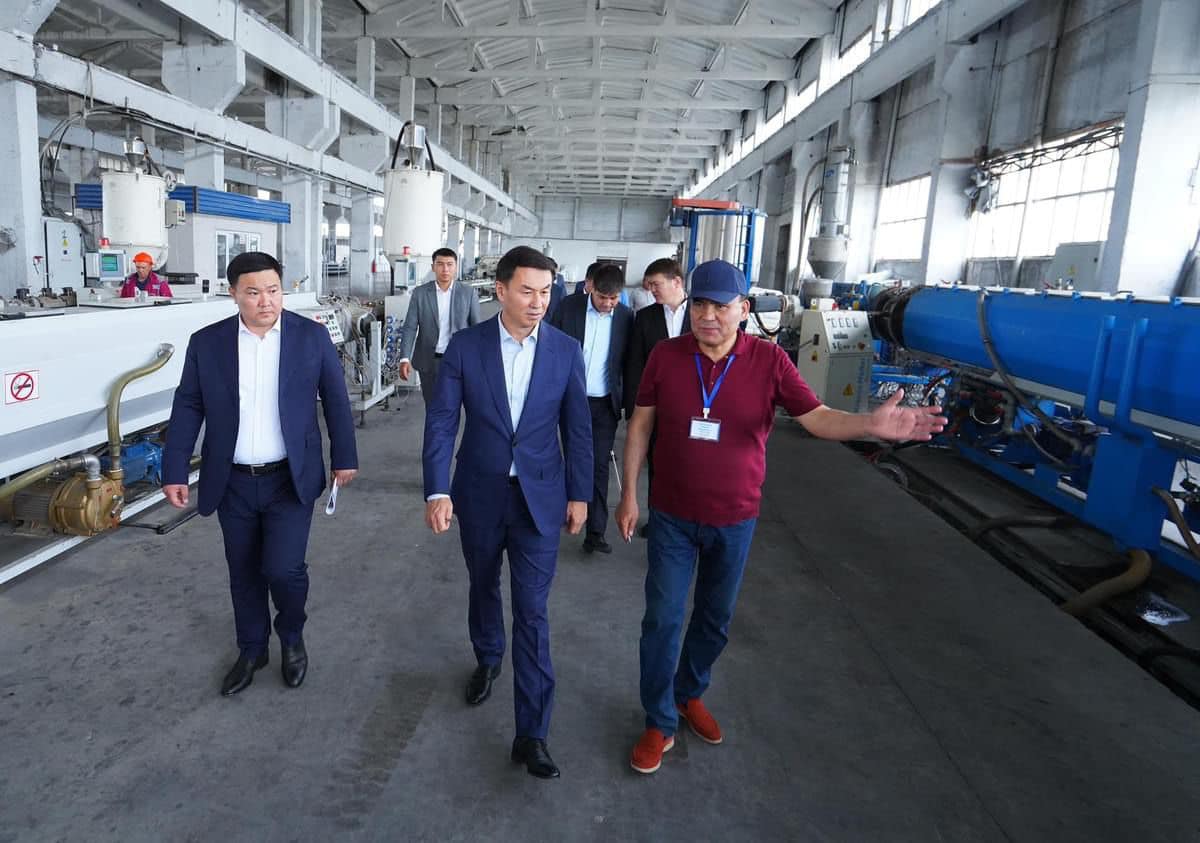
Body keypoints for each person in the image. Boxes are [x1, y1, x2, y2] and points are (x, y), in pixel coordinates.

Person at [615, 260, 946, 775]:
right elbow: (640, 424)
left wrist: (870, 424)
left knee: (714, 619)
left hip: (735, 518)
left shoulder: (769, 361)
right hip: (672, 516)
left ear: (743, 309)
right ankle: (659, 720)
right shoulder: (666, 356)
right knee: (662, 618)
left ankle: (687, 693)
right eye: (699, 304)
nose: (707, 316)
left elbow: (817, 418)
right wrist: (629, 495)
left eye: (720, 306)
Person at [422, 245, 591, 779]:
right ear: (500, 291)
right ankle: (488, 655)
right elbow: (442, 421)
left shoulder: (565, 351)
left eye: (546, 292)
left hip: (540, 498)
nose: (538, 302)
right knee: (483, 583)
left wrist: (580, 494)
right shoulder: (466, 348)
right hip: (479, 493)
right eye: (527, 291)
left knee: (533, 612)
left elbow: (578, 429)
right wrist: (437, 490)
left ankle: (532, 733)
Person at [162, 251, 358, 697]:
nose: (266, 301)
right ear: (233, 294)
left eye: (273, 290)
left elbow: (335, 397)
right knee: (244, 571)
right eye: (253, 292)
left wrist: (344, 456)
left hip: (289, 478)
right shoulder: (208, 343)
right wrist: (174, 469)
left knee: (284, 570)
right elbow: (189, 404)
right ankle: (252, 649)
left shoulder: (310, 337)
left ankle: (291, 637)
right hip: (231, 480)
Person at [549, 263, 634, 554]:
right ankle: (558, 515)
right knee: (563, 457)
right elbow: (550, 348)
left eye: (614, 298)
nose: (608, 303)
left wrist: (627, 402)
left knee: (598, 464)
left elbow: (627, 362)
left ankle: (595, 531)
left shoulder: (626, 317)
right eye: (602, 297)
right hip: (568, 399)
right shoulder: (568, 308)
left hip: (604, 403)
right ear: (590, 287)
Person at [622, 257, 691, 538]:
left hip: (694, 407)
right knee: (656, 463)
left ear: (677, 282)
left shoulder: (700, 314)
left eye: (656, 284)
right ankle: (658, 518)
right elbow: (634, 365)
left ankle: (688, 516)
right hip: (655, 408)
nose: (652, 290)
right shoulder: (646, 318)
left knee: (689, 462)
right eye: (649, 285)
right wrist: (633, 410)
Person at [398, 248, 480, 403]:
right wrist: (404, 358)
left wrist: (476, 360)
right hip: (429, 361)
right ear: (433, 267)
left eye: (449, 264)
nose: (445, 269)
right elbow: (410, 327)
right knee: (432, 405)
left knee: (454, 405)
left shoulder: (468, 293)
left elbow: (476, 329)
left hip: (458, 360)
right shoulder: (420, 293)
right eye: (440, 264)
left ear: (456, 267)